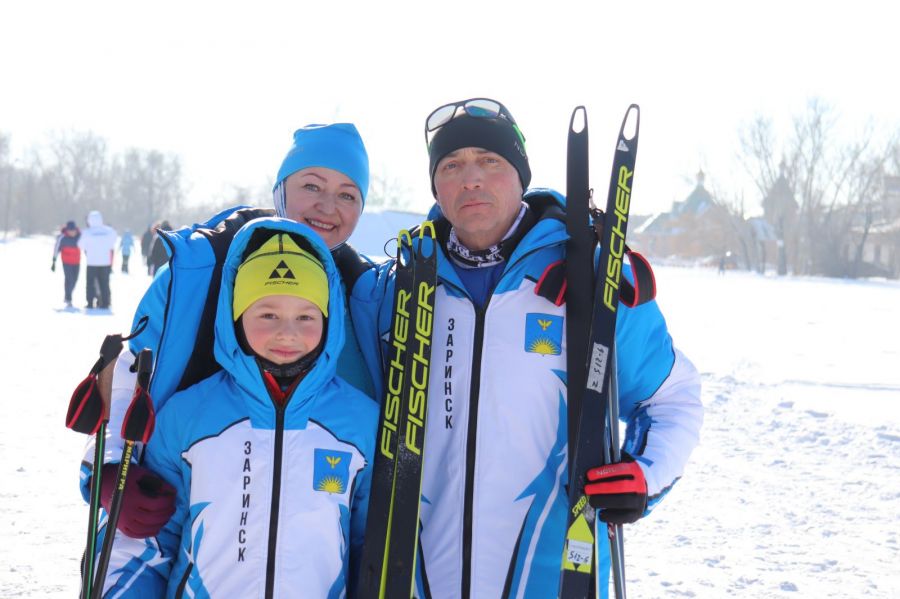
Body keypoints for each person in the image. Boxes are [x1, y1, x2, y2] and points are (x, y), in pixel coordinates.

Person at [370, 98, 703, 597]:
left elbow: (671, 399)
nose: (471, 178)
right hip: (421, 577)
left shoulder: (590, 276)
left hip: (552, 574)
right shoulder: (399, 287)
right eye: (452, 165)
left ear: (520, 176)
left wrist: (644, 475)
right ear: (436, 185)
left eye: (489, 161)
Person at [78, 123, 387, 544]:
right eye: (311, 185)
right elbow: (128, 374)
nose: (328, 206)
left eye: (348, 194)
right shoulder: (198, 273)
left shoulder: (368, 296)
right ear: (280, 189)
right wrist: (109, 471)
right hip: (185, 520)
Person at [99, 220, 377, 596]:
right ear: (235, 316)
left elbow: (372, 545)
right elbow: (151, 542)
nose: (287, 332)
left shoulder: (361, 421)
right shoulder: (188, 414)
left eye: (306, 317)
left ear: (329, 321)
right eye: (267, 315)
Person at [77, 210, 117, 309]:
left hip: (91, 262)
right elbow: (113, 243)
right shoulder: (109, 231)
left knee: (90, 283)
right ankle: (105, 303)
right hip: (105, 262)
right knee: (104, 283)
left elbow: (80, 245)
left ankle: (90, 302)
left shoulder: (87, 232)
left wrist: (90, 248)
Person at [52, 220, 81, 307]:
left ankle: (67, 295)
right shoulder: (62, 238)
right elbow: (56, 248)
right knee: (69, 279)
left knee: (75, 280)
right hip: (66, 262)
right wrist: (54, 260)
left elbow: (86, 245)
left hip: (77, 262)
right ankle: (68, 298)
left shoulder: (80, 237)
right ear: (67, 230)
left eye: (73, 230)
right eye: (70, 230)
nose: (72, 232)